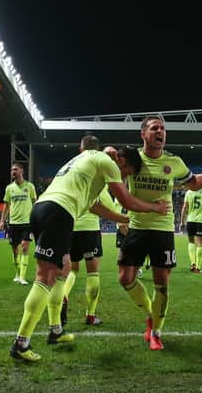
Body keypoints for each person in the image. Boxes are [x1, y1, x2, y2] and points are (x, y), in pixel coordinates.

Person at [9, 146, 169, 362]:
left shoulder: (87, 159)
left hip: (44, 209)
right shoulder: (109, 163)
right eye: (127, 172)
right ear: (121, 161)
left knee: (64, 268)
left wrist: (123, 220)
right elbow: (126, 201)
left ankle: (56, 330)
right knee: (45, 276)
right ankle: (21, 343)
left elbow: (95, 206)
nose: (124, 177)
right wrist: (154, 208)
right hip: (59, 212)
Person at [118, 116, 202, 351]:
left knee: (161, 283)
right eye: (155, 128)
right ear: (143, 134)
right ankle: (149, 314)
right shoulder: (133, 158)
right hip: (136, 226)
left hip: (162, 228)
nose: (161, 132)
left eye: (163, 129)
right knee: (125, 278)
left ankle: (156, 332)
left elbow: (194, 183)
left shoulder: (174, 161)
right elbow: (117, 180)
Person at [61, 136, 128, 327]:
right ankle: (90, 315)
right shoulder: (99, 177)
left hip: (72, 227)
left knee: (73, 270)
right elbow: (106, 204)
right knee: (93, 272)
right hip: (90, 229)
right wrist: (120, 222)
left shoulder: (76, 170)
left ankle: (64, 294)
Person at [0, 164, 37, 285]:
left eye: (15, 169)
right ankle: (18, 273)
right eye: (11, 170)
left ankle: (22, 277)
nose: (12, 171)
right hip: (13, 223)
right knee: (15, 251)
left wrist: (37, 218)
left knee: (25, 248)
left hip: (27, 222)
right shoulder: (9, 188)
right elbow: (6, 206)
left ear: (22, 171)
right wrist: (2, 221)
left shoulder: (30, 186)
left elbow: (35, 203)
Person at [180, 187, 202, 273]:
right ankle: (198, 268)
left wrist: (182, 222)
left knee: (191, 242)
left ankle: (192, 263)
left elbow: (184, 208)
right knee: (200, 244)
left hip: (190, 220)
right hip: (201, 221)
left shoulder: (189, 192)